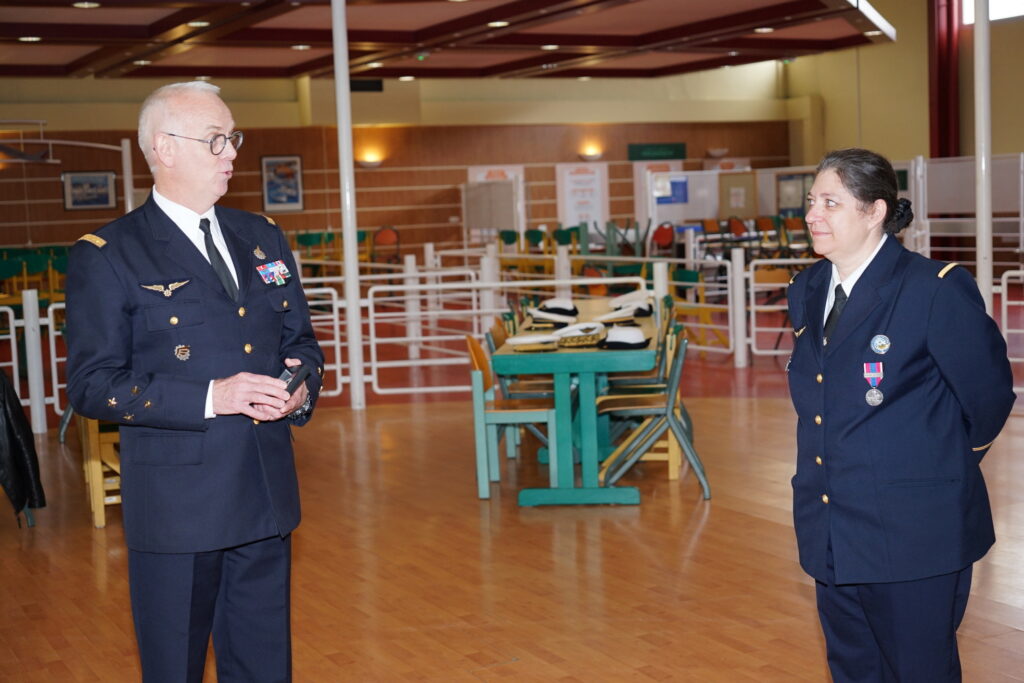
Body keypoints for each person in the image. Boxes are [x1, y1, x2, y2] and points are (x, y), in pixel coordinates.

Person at [65, 81, 324, 683]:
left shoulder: (261, 236)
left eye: (233, 138)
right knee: (175, 669)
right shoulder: (109, 254)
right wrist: (213, 396)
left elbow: (300, 343)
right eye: (216, 140)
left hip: (264, 494)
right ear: (165, 147)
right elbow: (91, 383)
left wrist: (300, 388)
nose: (232, 152)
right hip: (180, 511)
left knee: (265, 669)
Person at [786, 148, 1015, 682]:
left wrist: (932, 469)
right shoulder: (808, 288)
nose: (812, 215)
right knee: (852, 668)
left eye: (830, 202)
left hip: (915, 532)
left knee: (919, 671)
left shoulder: (932, 289)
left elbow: (988, 397)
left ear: (875, 211)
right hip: (832, 524)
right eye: (811, 202)